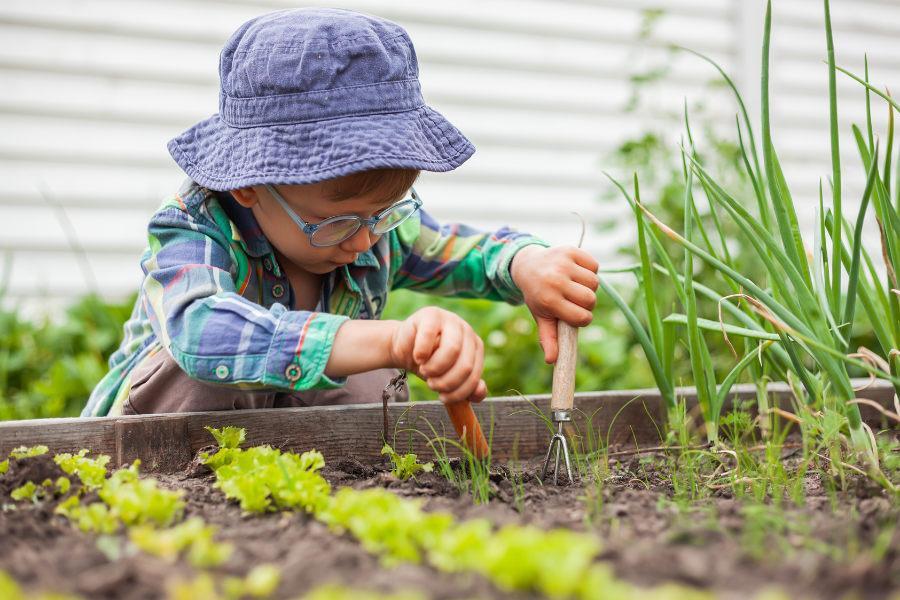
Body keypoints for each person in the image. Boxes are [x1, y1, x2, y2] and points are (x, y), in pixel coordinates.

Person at [82, 7, 599, 418]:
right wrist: (390, 339)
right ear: (248, 187)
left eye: (384, 214)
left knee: (369, 376)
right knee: (197, 371)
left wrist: (524, 263)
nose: (363, 240)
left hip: (299, 460)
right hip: (149, 453)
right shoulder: (195, 227)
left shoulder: (373, 229)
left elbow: (461, 253)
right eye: (338, 222)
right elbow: (199, 330)